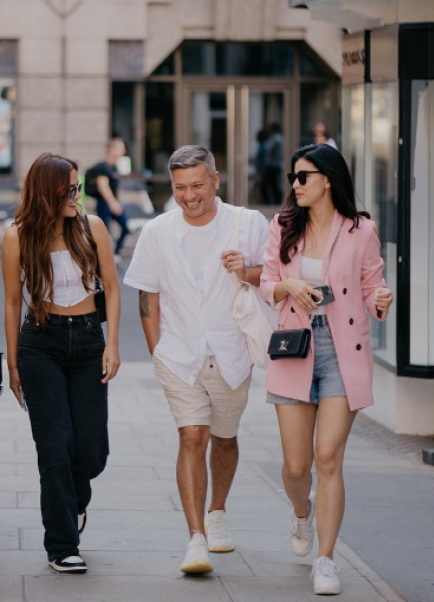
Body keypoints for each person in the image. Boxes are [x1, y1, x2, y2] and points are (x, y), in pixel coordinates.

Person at [124, 145, 268, 575]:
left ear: (216, 180)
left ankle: (217, 512)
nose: (189, 196)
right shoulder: (158, 232)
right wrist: (157, 351)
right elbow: (146, 293)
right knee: (192, 436)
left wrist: (248, 270)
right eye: (180, 187)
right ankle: (195, 539)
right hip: (178, 354)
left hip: (231, 352)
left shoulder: (247, 224)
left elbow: (277, 276)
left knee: (224, 438)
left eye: (197, 186)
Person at [259, 144, 393, 595]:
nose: (295, 185)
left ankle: (326, 559)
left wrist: (381, 300)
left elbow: (373, 285)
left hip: (342, 351)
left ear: (327, 179)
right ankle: (302, 513)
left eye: (303, 176)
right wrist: (287, 285)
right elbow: (265, 284)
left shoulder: (361, 229)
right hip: (295, 347)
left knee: (327, 458)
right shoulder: (283, 226)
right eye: (293, 178)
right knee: (296, 468)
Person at [2, 152, 121, 573]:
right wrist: (13, 365)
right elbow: (14, 301)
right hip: (41, 344)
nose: (77, 195)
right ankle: (62, 544)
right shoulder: (17, 236)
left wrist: (113, 345)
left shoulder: (93, 228)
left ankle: (75, 499)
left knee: (91, 450)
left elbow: (112, 285)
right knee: (53, 447)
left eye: (79, 187)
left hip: (89, 340)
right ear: (48, 192)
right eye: (70, 188)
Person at [88, 138, 130, 261]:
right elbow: (103, 186)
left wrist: (118, 202)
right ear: (112, 149)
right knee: (103, 232)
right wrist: (113, 203)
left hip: (113, 203)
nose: (123, 151)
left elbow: (116, 188)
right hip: (104, 204)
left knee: (125, 227)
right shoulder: (103, 167)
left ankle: (115, 254)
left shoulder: (114, 167)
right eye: (121, 148)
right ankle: (99, 258)